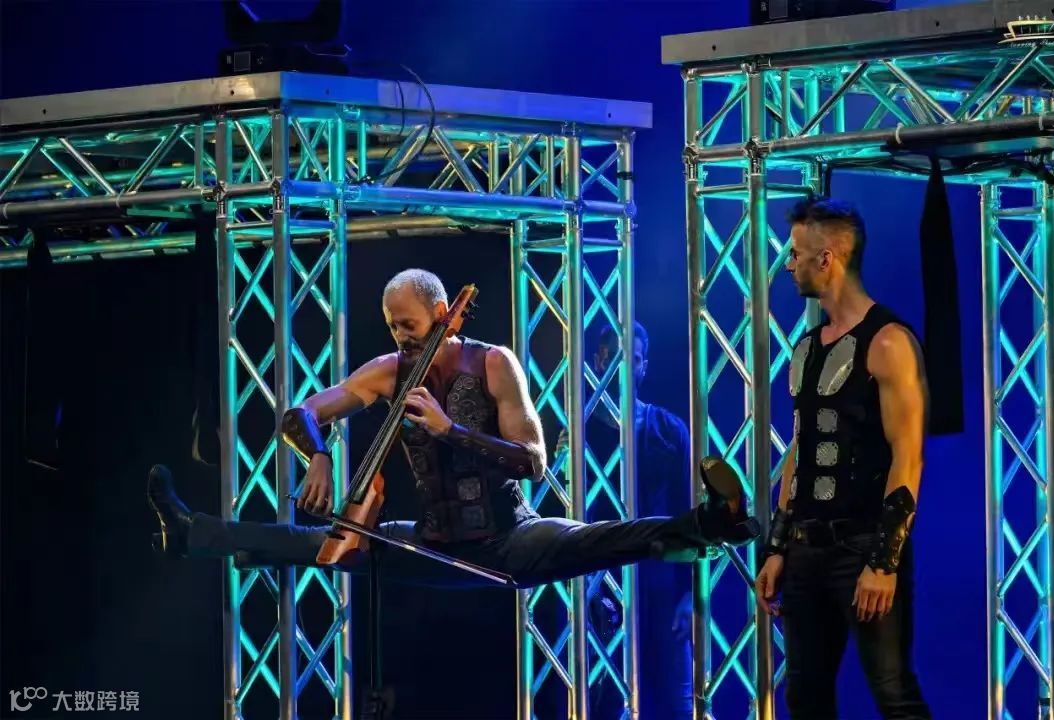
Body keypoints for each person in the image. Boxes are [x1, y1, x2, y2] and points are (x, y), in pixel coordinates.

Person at [149, 269, 759, 592]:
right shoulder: (388, 371)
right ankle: (190, 532)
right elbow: (300, 414)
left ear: (442, 314)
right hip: (433, 541)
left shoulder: (493, 363)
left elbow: (533, 462)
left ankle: (714, 523)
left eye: (410, 325)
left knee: (598, 539)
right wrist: (319, 454)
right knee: (318, 542)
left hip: (509, 538)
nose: (401, 337)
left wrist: (448, 430)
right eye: (392, 326)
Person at [753, 197, 931, 719]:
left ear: (826, 258)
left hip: (863, 544)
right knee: (804, 695)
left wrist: (884, 560)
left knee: (893, 692)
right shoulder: (808, 347)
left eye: (796, 253)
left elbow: (908, 458)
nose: (789, 264)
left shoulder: (889, 343)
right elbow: (800, 448)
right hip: (807, 548)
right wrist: (777, 546)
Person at [583, 322, 693, 720]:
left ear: (645, 366)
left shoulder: (669, 429)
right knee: (608, 702)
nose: (627, 366)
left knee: (677, 701)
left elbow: (688, 513)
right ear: (599, 361)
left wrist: (690, 596)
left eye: (636, 358)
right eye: (617, 357)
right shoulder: (578, 431)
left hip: (662, 582)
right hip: (602, 584)